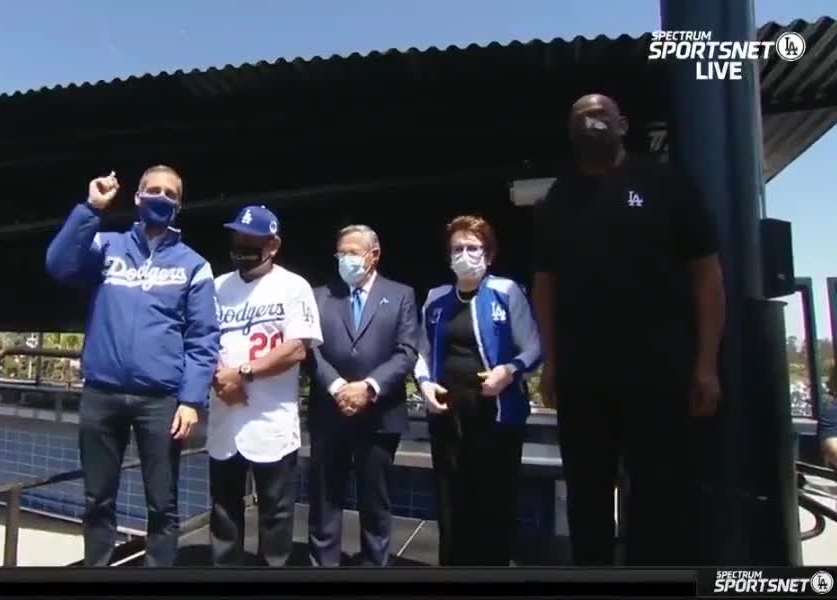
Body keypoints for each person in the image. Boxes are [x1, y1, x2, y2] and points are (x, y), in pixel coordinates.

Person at [532, 94, 725, 566]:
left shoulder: (665, 183)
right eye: (581, 117)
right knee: (587, 497)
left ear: (623, 123)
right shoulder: (559, 197)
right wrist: (551, 363)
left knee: (659, 499)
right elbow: (545, 286)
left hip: (660, 374)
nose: (592, 123)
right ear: (569, 131)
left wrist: (705, 365)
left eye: (601, 115)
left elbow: (707, 274)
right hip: (583, 378)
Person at [45, 166, 220, 567]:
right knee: (97, 499)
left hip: (160, 402)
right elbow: (58, 265)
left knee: (162, 504)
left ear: (179, 205)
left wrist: (191, 399)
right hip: (101, 396)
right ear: (137, 198)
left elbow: (203, 337)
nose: (161, 197)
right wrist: (92, 207)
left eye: (170, 193)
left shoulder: (194, 265)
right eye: (153, 190)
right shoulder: (106, 245)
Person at [413, 215, 541, 566]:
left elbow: (532, 347)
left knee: (493, 502)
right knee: (451, 501)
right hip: (447, 416)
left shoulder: (507, 292)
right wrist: (424, 384)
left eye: (472, 247)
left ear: (489, 253)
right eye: (457, 248)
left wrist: (508, 371)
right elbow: (421, 352)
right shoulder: (436, 299)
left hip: (496, 417)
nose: (464, 254)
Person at [207, 205, 323, 566]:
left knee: (275, 514)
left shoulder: (293, 286)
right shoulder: (217, 286)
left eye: (251, 240)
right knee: (224, 513)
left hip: (271, 420)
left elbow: (296, 348)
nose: (241, 246)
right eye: (237, 238)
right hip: (225, 417)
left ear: (273, 245)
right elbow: (200, 340)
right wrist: (219, 377)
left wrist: (242, 373)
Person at [306, 225, 419, 567]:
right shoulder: (318, 295)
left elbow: (407, 351)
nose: (347, 259)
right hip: (330, 412)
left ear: (374, 255)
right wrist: (338, 387)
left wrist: (368, 387)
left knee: (375, 505)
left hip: (380, 414)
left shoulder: (401, 295)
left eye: (354, 252)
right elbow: (309, 349)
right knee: (325, 503)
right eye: (342, 253)